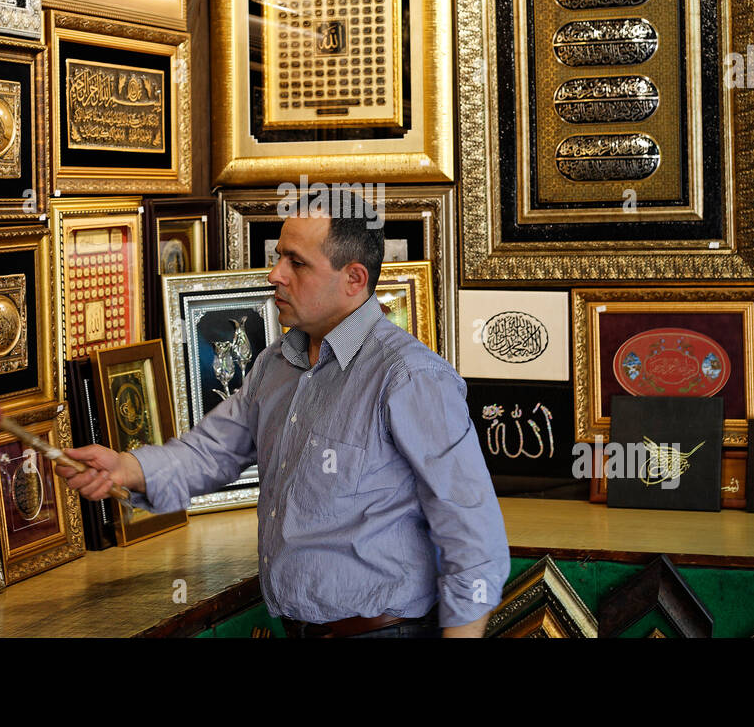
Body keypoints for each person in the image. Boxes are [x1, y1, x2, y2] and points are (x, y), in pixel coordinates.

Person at [61, 194, 509, 638]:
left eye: (296, 262)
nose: (274, 275)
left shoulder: (411, 377)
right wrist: (127, 467)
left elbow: (472, 536)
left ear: (354, 279)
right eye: (278, 257)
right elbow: (212, 451)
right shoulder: (275, 364)